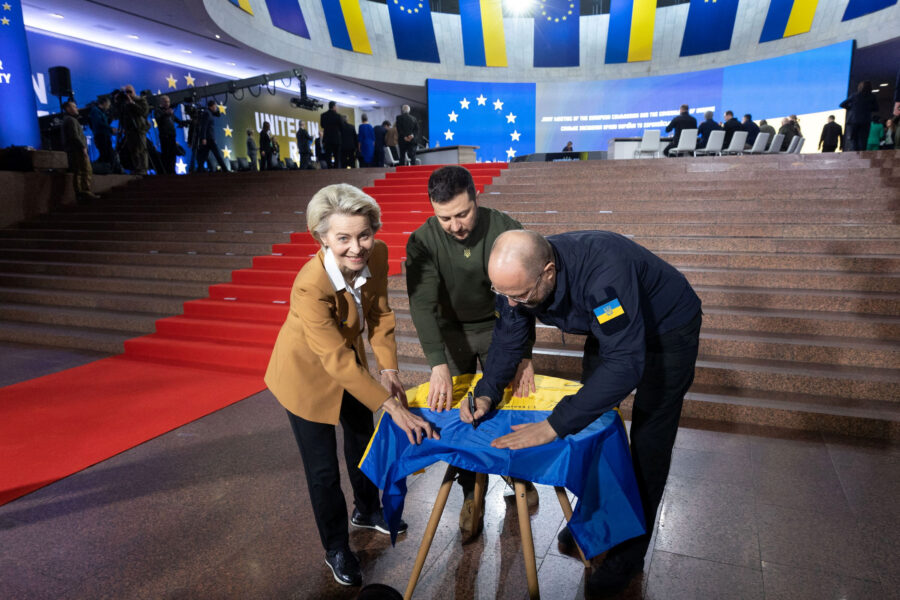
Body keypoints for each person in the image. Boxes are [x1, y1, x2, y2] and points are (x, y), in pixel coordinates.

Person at [462, 229, 701, 597]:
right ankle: (596, 521)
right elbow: (509, 334)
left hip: (667, 331)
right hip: (609, 330)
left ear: (549, 271)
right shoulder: (519, 280)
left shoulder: (604, 276)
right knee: (598, 430)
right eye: (503, 293)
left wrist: (554, 425)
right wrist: (487, 392)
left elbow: (625, 365)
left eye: (521, 295)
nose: (512, 303)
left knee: (648, 444)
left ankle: (628, 554)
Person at [265, 184, 438, 588]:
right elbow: (334, 360)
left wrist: (390, 368)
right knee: (323, 471)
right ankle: (336, 547)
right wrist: (392, 407)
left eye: (363, 234)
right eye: (343, 238)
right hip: (306, 375)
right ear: (322, 238)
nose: (356, 248)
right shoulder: (310, 284)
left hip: (350, 366)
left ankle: (367, 509)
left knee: (362, 441)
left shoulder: (376, 254)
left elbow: (379, 312)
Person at [405, 166, 538, 542]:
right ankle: (470, 494)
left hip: (502, 327)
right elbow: (422, 305)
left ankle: (519, 477)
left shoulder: (506, 228)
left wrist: (524, 355)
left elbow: (524, 295)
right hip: (454, 333)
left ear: (476, 197)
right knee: (462, 412)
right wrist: (437, 365)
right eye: (444, 217)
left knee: (509, 401)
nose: (455, 225)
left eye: (462, 213)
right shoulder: (423, 241)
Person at [62, 101, 99, 203]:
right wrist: (83, 148)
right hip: (77, 150)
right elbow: (75, 136)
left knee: (80, 170)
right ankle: (84, 192)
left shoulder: (69, 120)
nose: (76, 108)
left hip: (75, 150)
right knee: (83, 170)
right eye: (74, 107)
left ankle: (82, 193)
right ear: (67, 109)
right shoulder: (70, 120)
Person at [840, 81, 879, 152]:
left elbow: (842, 104)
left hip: (853, 120)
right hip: (865, 120)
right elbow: (876, 108)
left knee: (853, 140)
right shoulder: (872, 96)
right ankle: (862, 157)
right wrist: (867, 108)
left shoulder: (854, 95)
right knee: (863, 140)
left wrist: (851, 108)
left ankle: (854, 156)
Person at [120, 84, 150, 175]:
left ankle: (143, 169)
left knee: (141, 149)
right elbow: (121, 115)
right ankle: (137, 168)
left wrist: (132, 104)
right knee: (133, 150)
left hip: (139, 128)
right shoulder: (124, 103)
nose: (128, 94)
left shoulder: (141, 100)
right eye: (126, 92)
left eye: (130, 92)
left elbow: (144, 112)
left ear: (134, 91)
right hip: (129, 130)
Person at [154, 95, 186, 175]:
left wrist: (184, 123)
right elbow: (159, 119)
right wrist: (166, 114)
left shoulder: (170, 112)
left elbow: (176, 120)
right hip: (164, 136)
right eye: (165, 102)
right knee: (166, 155)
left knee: (173, 154)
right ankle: (166, 172)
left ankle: (172, 171)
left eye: (168, 102)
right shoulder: (158, 111)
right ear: (161, 102)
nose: (167, 103)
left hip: (172, 136)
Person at [88, 96, 119, 172]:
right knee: (106, 154)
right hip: (101, 137)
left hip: (105, 136)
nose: (109, 106)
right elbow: (99, 123)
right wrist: (110, 129)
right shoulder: (95, 111)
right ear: (104, 103)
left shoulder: (101, 112)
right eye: (108, 104)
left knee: (108, 154)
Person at [196, 100, 228, 172]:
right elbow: (204, 126)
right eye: (215, 106)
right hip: (209, 138)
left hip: (209, 138)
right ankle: (225, 170)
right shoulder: (207, 113)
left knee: (204, 156)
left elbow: (218, 114)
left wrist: (216, 111)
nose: (216, 107)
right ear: (212, 106)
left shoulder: (210, 113)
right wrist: (203, 138)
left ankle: (199, 170)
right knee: (217, 155)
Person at [320, 101, 343, 168]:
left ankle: (329, 170)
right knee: (337, 157)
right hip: (336, 139)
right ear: (334, 107)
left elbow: (322, 125)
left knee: (328, 156)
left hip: (327, 139)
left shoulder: (323, 115)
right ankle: (336, 171)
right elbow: (341, 127)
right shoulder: (338, 116)